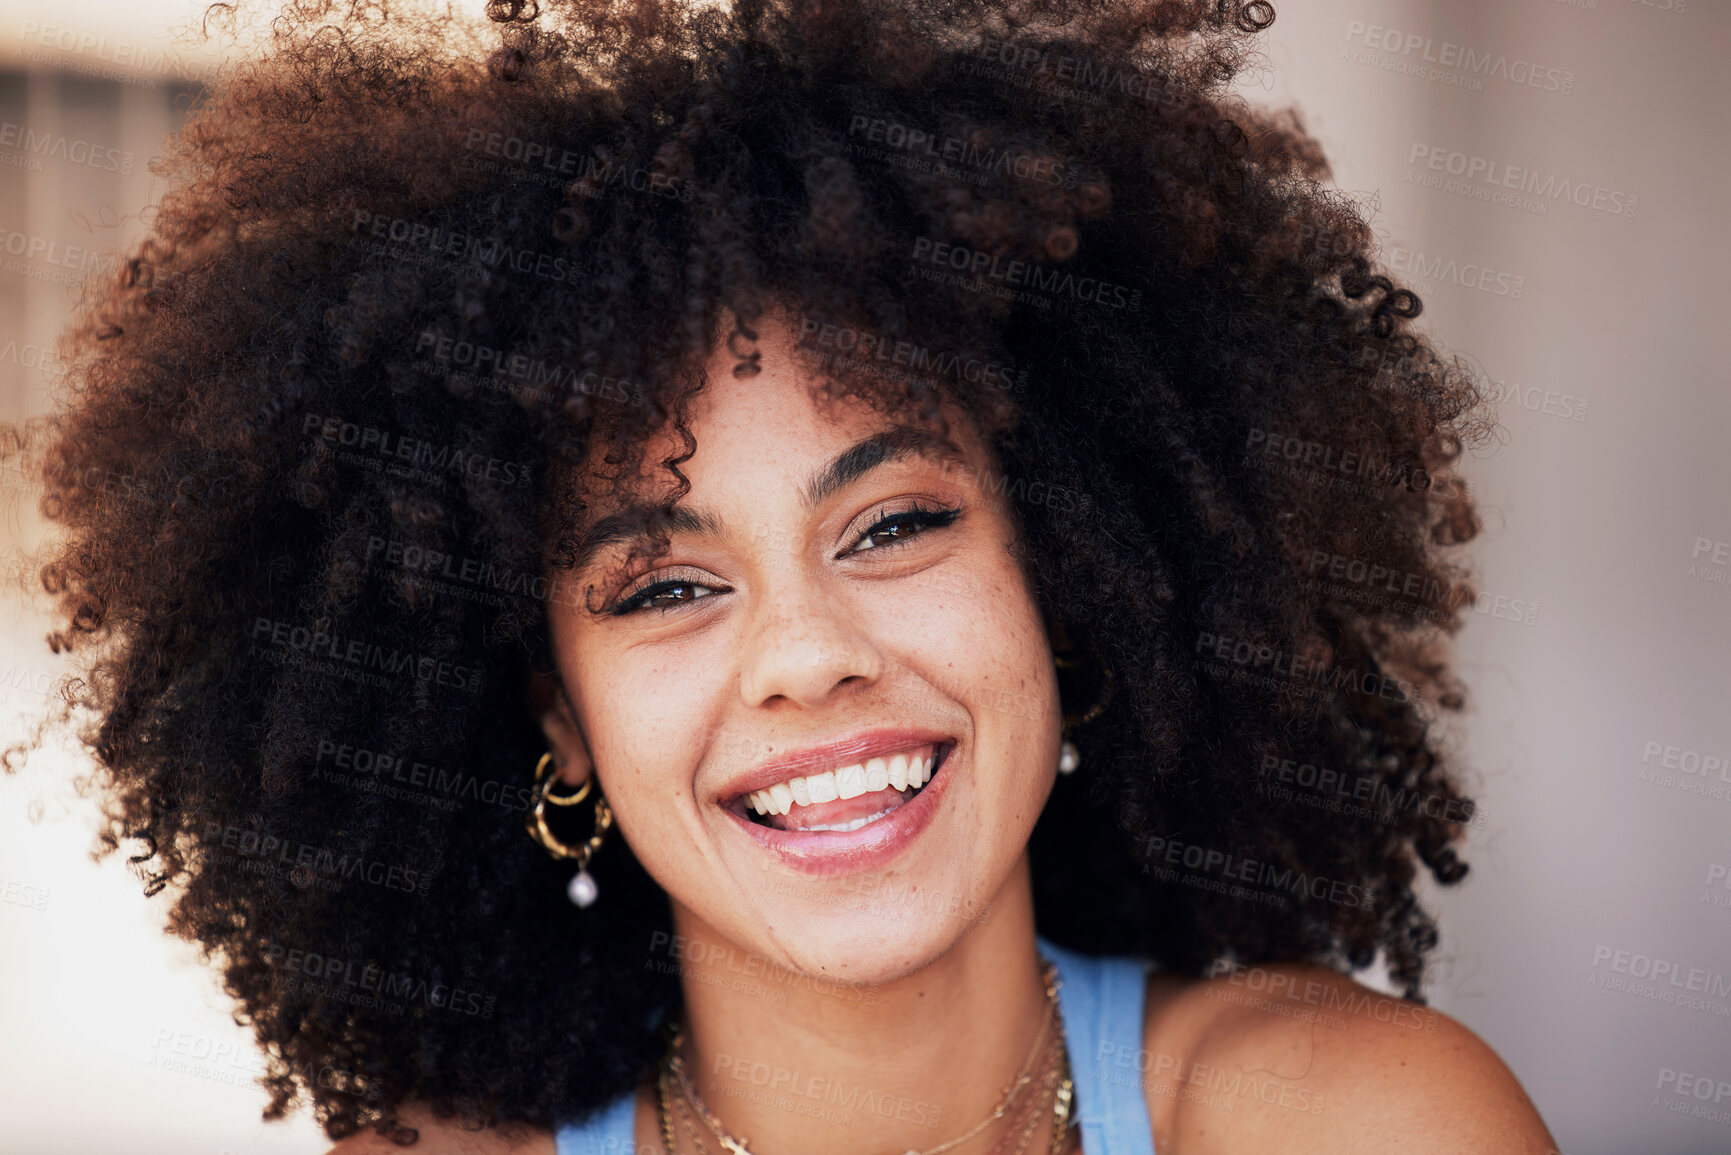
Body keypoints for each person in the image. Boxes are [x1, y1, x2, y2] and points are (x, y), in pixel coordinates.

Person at [10, 0, 1556, 1151]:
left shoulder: (1357, 1124)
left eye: (892, 526)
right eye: (665, 587)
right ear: (561, 723)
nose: (806, 655)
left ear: (1068, 583)